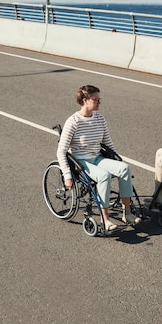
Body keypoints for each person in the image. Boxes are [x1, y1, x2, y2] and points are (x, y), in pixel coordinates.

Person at [57, 85, 139, 231]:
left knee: (124, 168)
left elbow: (108, 143)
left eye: (99, 99)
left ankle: (127, 213)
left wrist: (117, 160)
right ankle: (105, 219)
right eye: (96, 99)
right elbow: (61, 151)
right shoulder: (73, 121)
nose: (99, 102)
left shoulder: (100, 118)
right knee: (103, 176)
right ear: (85, 100)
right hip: (81, 162)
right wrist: (67, 175)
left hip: (97, 157)